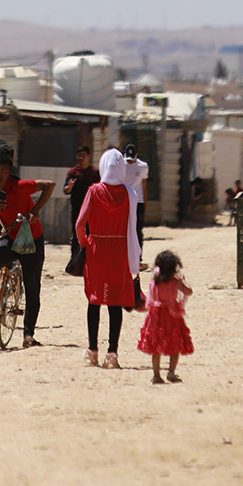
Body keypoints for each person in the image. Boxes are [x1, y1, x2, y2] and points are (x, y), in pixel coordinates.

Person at [0, 145, 55, 349]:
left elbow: (50, 184)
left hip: (32, 240)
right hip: (11, 237)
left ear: (6, 171)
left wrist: (35, 210)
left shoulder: (21, 185)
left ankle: (28, 336)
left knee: (33, 290)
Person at [76, 148, 138, 368]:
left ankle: (92, 350)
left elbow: (79, 224)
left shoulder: (94, 191)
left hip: (97, 249)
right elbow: (135, 227)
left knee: (94, 299)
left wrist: (86, 243)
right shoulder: (130, 193)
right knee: (115, 300)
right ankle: (112, 353)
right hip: (119, 250)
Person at [137, 250, 193, 383]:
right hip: (172, 316)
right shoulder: (175, 283)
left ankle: (156, 374)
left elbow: (150, 301)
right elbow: (189, 292)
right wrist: (184, 281)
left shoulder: (154, 282)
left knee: (156, 346)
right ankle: (171, 372)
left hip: (156, 317)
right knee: (175, 343)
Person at [123, 139, 149, 310]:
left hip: (137, 201)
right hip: (125, 200)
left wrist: (145, 203)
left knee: (138, 231)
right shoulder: (121, 165)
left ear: (137, 155)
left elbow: (144, 185)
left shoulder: (143, 166)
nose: (130, 161)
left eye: (132, 158)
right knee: (125, 230)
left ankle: (138, 257)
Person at [63, 143, 100, 253]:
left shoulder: (95, 173)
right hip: (77, 208)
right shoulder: (73, 172)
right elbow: (66, 190)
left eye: (83, 155)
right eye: (79, 155)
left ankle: (88, 259)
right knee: (76, 235)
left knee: (90, 233)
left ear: (89, 156)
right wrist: (70, 187)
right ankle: (75, 261)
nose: (81, 158)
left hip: (92, 210)